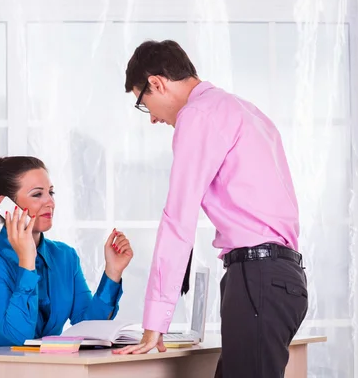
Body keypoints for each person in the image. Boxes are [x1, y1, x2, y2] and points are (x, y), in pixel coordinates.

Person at [114, 40, 308, 377]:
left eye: (145, 104)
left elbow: (178, 219)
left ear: (157, 83)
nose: (154, 119)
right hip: (283, 279)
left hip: (257, 276)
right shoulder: (245, 110)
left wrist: (155, 323)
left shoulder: (198, 115)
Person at [0, 156, 134, 348]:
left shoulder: (65, 257)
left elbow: (89, 329)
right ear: (6, 206)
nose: (50, 203)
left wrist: (112, 273)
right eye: (37, 194)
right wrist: (27, 262)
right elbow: (20, 337)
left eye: (51, 193)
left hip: (50, 369)